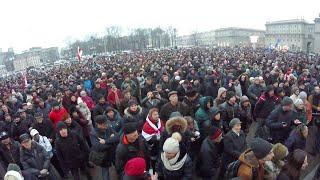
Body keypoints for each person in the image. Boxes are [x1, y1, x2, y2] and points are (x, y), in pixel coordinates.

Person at [90, 115, 120, 180]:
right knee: (105, 173)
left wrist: (106, 141)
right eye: (104, 124)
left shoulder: (108, 128)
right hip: (104, 157)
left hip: (113, 154)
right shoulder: (93, 133)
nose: (106, 125)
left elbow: (117, 137)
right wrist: (112, 142)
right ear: (98, 124)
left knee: (118, 168)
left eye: (106, 123)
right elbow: (98, 147)